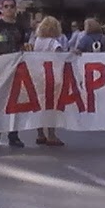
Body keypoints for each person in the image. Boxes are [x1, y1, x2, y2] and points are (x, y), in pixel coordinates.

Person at [0, 0, 26, 148]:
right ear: (2, 9)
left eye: (11, 6)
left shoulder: (20, 27)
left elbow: (22, 47)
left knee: (15, 103)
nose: (9, 9)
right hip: (0, 68)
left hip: (15, 69)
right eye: (6, 6)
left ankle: (13, 135)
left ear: (15, 9)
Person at [33, 16, 65, 146]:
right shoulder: (53, 43)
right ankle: (51, 135)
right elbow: (61, 56)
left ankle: (40, 134)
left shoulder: (38, 41)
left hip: (38, 76)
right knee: (51, 106)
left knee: (40, 105)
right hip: (51, 77)